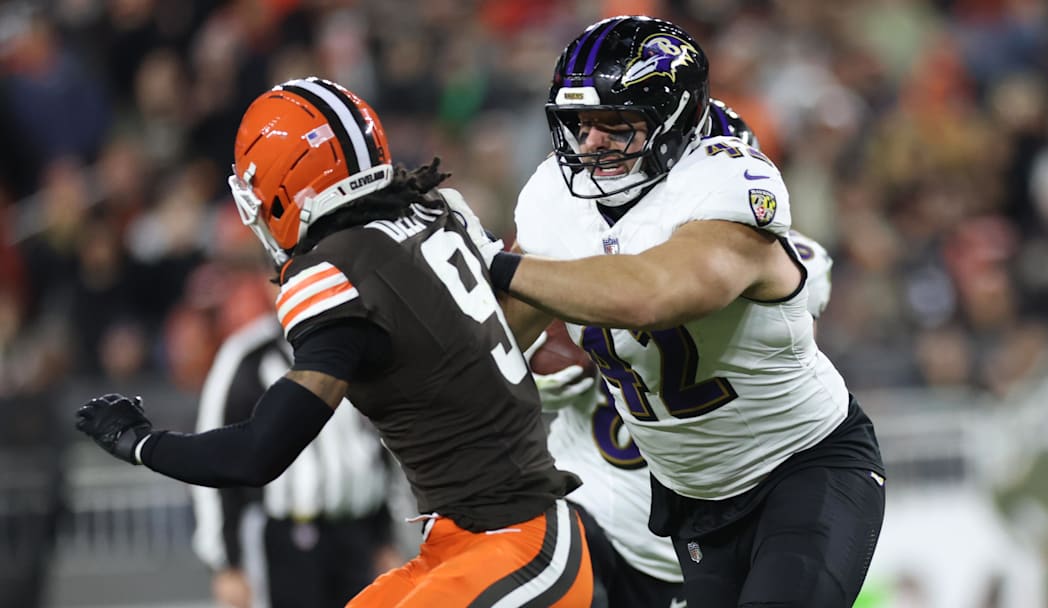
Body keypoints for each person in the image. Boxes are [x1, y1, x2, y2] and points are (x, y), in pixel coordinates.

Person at [75, 76, 592, 607]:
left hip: (515, 541)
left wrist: (142, 443)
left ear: (284, 189)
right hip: (467, 540)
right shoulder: (436, 212)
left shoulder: (335, 272)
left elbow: (258, 452)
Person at [457, 16, 886, 608]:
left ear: (677, 122)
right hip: (693, 495)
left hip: (802, 467)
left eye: (616, 124)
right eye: (582, 123)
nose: (591, 142)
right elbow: (490, 337)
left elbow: (653, 297)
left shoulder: (729, 182)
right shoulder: (556, 198)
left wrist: (491, 262)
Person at [527, 100, 837, 608]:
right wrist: (532, 360)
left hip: (697, 515)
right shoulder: (585, 230)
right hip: (589, 497)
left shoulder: (786, 258)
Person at [190, 309, 404, 608]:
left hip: (356, 532)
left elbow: (378, 442)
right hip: (286, 536)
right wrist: (225, 561)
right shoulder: (249, 355)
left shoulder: (358, 341)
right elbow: (214, 455)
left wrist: (385, 537)